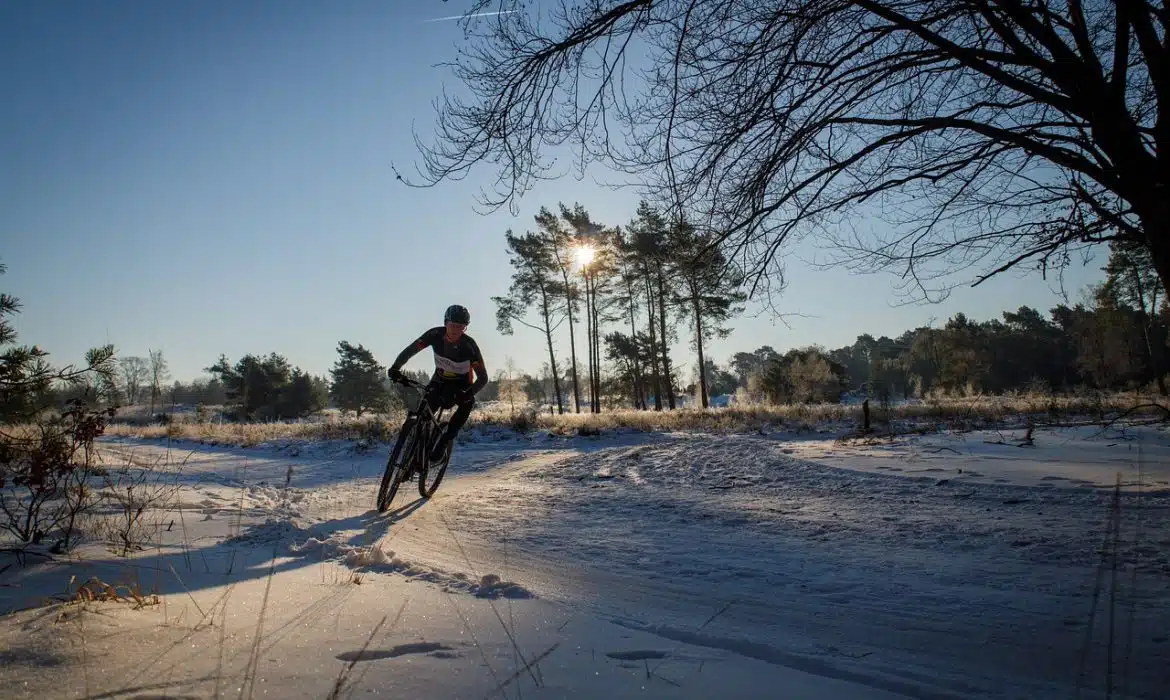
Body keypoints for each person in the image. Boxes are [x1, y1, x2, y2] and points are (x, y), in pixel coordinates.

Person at [387, 304, 488, 462]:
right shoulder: (434, 334)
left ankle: (445, 440)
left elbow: (483, 378)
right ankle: (412, 456)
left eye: (461, 327)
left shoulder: (469, 346)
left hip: (461, 386)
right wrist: (395, 368)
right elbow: (411, 349)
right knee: (421, 414)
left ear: (465, 328)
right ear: (445, 323)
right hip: (439, 381)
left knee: (468, 403)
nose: (456, 330)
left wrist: (467, 394)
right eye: (452, 325)